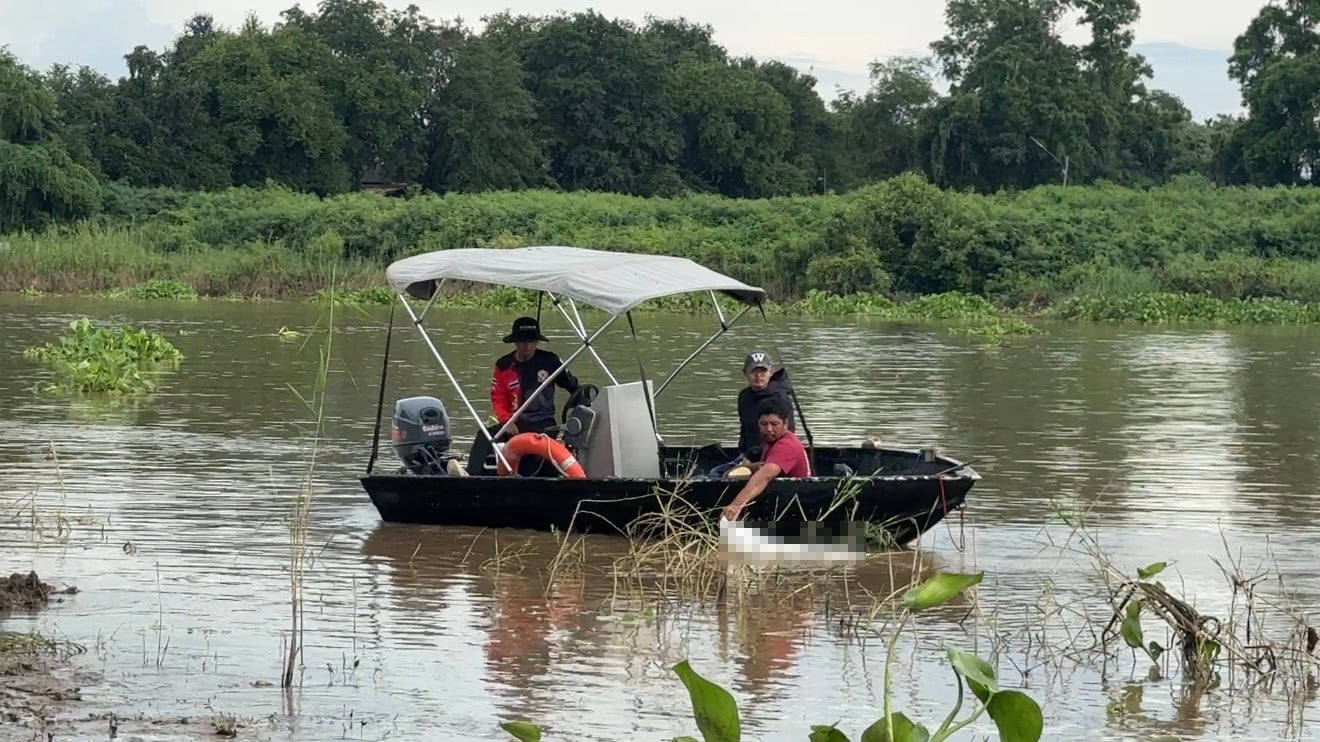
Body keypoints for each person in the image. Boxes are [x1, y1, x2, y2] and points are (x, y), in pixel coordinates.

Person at [720, 396, 812, 522]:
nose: (768, 429)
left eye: (774, 424)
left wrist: (736, 506)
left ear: (785, 423)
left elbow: (765, 475)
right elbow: (764, 466)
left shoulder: (786, 445)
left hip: (795, 506)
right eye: (764, 424)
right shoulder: (772, 441)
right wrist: (746, 467)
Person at [708, 349, 797, 478]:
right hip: (748, 456)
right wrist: (743, 453)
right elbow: (744, 429)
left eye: (763, 371)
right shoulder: (744, 396)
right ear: (745, 373)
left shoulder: (781, 399)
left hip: (772, 457)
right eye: (753, 371)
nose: (758, 375)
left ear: (771, 372)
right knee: (715, 472)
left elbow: (786, 435)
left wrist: (750, 458)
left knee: (718, 475)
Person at [489, 315, 582, 436]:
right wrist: (506, 421)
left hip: (544, 424)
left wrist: (582, 407)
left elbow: (573, 387)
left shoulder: (550, 361)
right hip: (515, 423)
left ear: (537, 341)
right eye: (523, 341)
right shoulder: (503, 365)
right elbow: (498, 398)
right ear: (515, 342)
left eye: (531, 341)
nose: (527, 346)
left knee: (535, 453)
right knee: (484, 437)